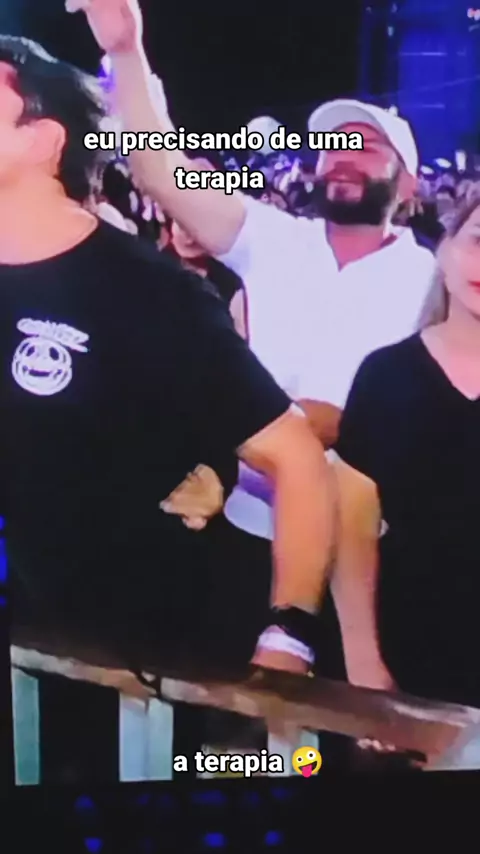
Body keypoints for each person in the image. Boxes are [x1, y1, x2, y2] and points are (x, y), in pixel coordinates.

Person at [70, 0, 436, 690]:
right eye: (333, 145)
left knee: (332, 735)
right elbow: (164, 172)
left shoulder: (436, 279)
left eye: (366, 147)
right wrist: (126, 51)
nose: (343, 157)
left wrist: (306, 425)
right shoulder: (272, 236)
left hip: (364, 561)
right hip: (243, 535)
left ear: (409, 182)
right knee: (233, 722)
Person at [0, 36, 335, 679]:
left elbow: (294, 456)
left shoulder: (147, 292)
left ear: (42, 141)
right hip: (25, 651)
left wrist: (287, 639)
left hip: (139, 670)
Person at [332, 197, 480, 706]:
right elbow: (352, 530)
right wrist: (364, 663)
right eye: (479, 241)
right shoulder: (386, 375)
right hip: (406, 650)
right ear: (445, 250)